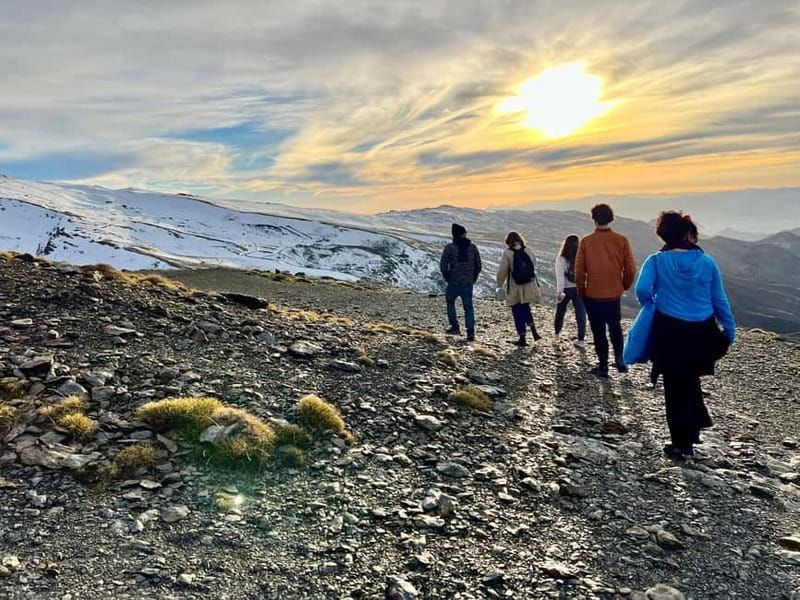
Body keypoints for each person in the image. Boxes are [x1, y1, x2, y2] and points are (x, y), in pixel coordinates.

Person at [634, 212, 735, 459]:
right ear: (688, 235)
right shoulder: (707, 262)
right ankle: (694, 428)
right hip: (702, 332)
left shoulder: (656, 261)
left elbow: (642, 289)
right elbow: (719, 298)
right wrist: (729, 329)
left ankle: (682, 443)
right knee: (690, 378)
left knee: (674, 386)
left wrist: (653, 303)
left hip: (670, 331)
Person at [575, 203, 637, 378]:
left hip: (593, 293)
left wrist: (581, 289)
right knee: (615, 327)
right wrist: (623, 285)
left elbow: (579, 270)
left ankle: (603, 366)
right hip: (613, 293)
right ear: (611, 218)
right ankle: (620, 360)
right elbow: (631, 269)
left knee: (598, 331)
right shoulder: (621, 240)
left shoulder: (587, 241)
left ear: (593, 219)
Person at [496, 231, 541, 346]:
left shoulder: (508, 253)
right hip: (528, 285)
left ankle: (522, 338)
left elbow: (503, 270)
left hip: (515, 286)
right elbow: (534, 264)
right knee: (526, 308)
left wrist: (499, 284)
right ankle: (534, 331)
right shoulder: (528, 250)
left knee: (517, 311)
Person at [440, 223, 482, 341]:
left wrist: (448, 277)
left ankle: (454, 326)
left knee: (450, 302)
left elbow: (443, 265)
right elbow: (478, 265)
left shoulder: (449, 248)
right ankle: (470, 332)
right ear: (463, 234)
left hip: (453, 281)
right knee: (468, 307)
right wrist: (473, 277)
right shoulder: (472, 248)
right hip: (468, 282)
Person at [554, 234, 587, 349]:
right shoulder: (582, 256)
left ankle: (557, 334)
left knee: (560, 311)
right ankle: (581, 340)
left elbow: (560, 277)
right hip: (580, 289)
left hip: (566, 289)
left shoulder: (561, 258)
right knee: (581, 314)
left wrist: (559, 292)